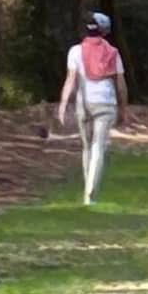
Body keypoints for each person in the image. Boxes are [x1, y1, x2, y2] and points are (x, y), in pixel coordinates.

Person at [57, 10, 127, 205]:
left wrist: (63, 104)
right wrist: (124, 108)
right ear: (104, 32)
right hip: (106, 103)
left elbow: (71, 80)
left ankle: (89, 186)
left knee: (87, 147)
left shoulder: (75, 51)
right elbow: (120, 83)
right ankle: (91, 191)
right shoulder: (113, 52)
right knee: (98, 146)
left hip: (84, 104)